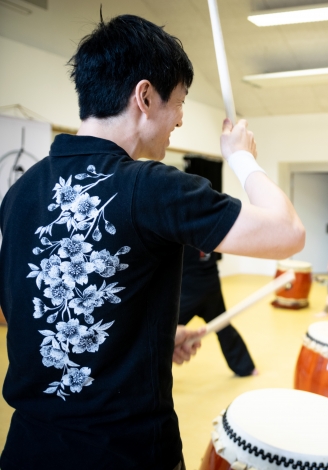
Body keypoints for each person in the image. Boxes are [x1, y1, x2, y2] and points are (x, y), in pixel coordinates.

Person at [0, 14, 304, 470]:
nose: (180, 119)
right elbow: (287, 233)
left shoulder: (21, 191)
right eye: (178, 103)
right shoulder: (151, 186)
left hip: (27, 448)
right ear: (144, 96)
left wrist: (151, 339)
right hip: (125, 451)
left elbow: (17, 312)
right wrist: (242, 160)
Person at [179, 246, 256, 377]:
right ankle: (246, 368)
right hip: (210, 286)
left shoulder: (181, 228)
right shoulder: (211, 229)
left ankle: (143, 373)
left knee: (164, 332)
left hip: (189, 289)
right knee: (224, 327)